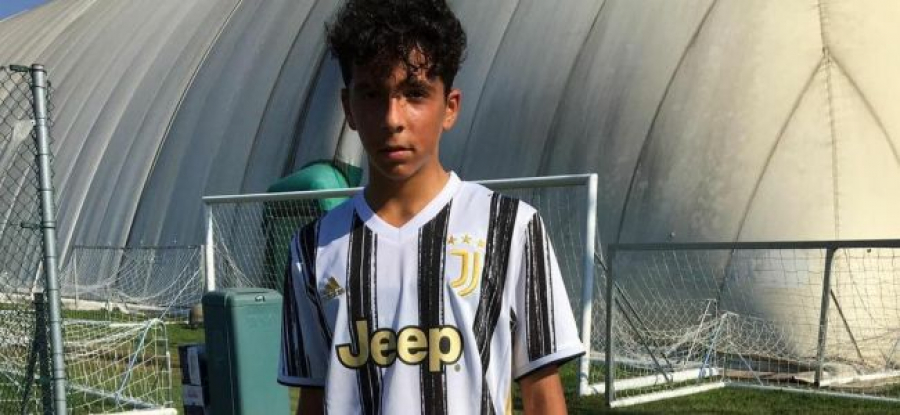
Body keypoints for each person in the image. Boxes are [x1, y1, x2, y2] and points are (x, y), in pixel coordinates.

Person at [278, 0, 583, 413]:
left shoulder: (511, 228)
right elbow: (314, 398)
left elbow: (542, 393)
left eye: (414, 93)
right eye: (373, 94)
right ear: (349, 108)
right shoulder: (313, 248)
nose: (392, 118)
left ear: (449, 107)